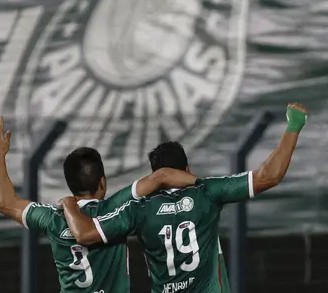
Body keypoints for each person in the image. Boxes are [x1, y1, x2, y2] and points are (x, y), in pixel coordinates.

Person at [60, 103, 310, 293]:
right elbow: (270, 176)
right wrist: (293, 126)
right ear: (187, 170)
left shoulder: (138, 210)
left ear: (154, 175)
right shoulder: (208, 192)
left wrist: (69, 204)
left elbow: (85, 234)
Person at [0, 114, 199, 293]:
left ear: (70, 185)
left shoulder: (52, 217)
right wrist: (204, 185)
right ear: (103, 182)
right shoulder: (117, 208)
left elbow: (5, 203)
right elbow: (158, 178)